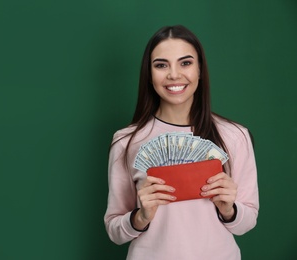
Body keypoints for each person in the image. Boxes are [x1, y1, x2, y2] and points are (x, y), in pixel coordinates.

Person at [104, 25, 259, 260]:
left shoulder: (235, 136)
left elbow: (247, 222)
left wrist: (229, 209)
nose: (174, 75)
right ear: (149, 74)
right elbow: (115, 231)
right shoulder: (127, 141)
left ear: (200, 70)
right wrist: (141, 216)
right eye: (161, 65)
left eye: (185, 63)